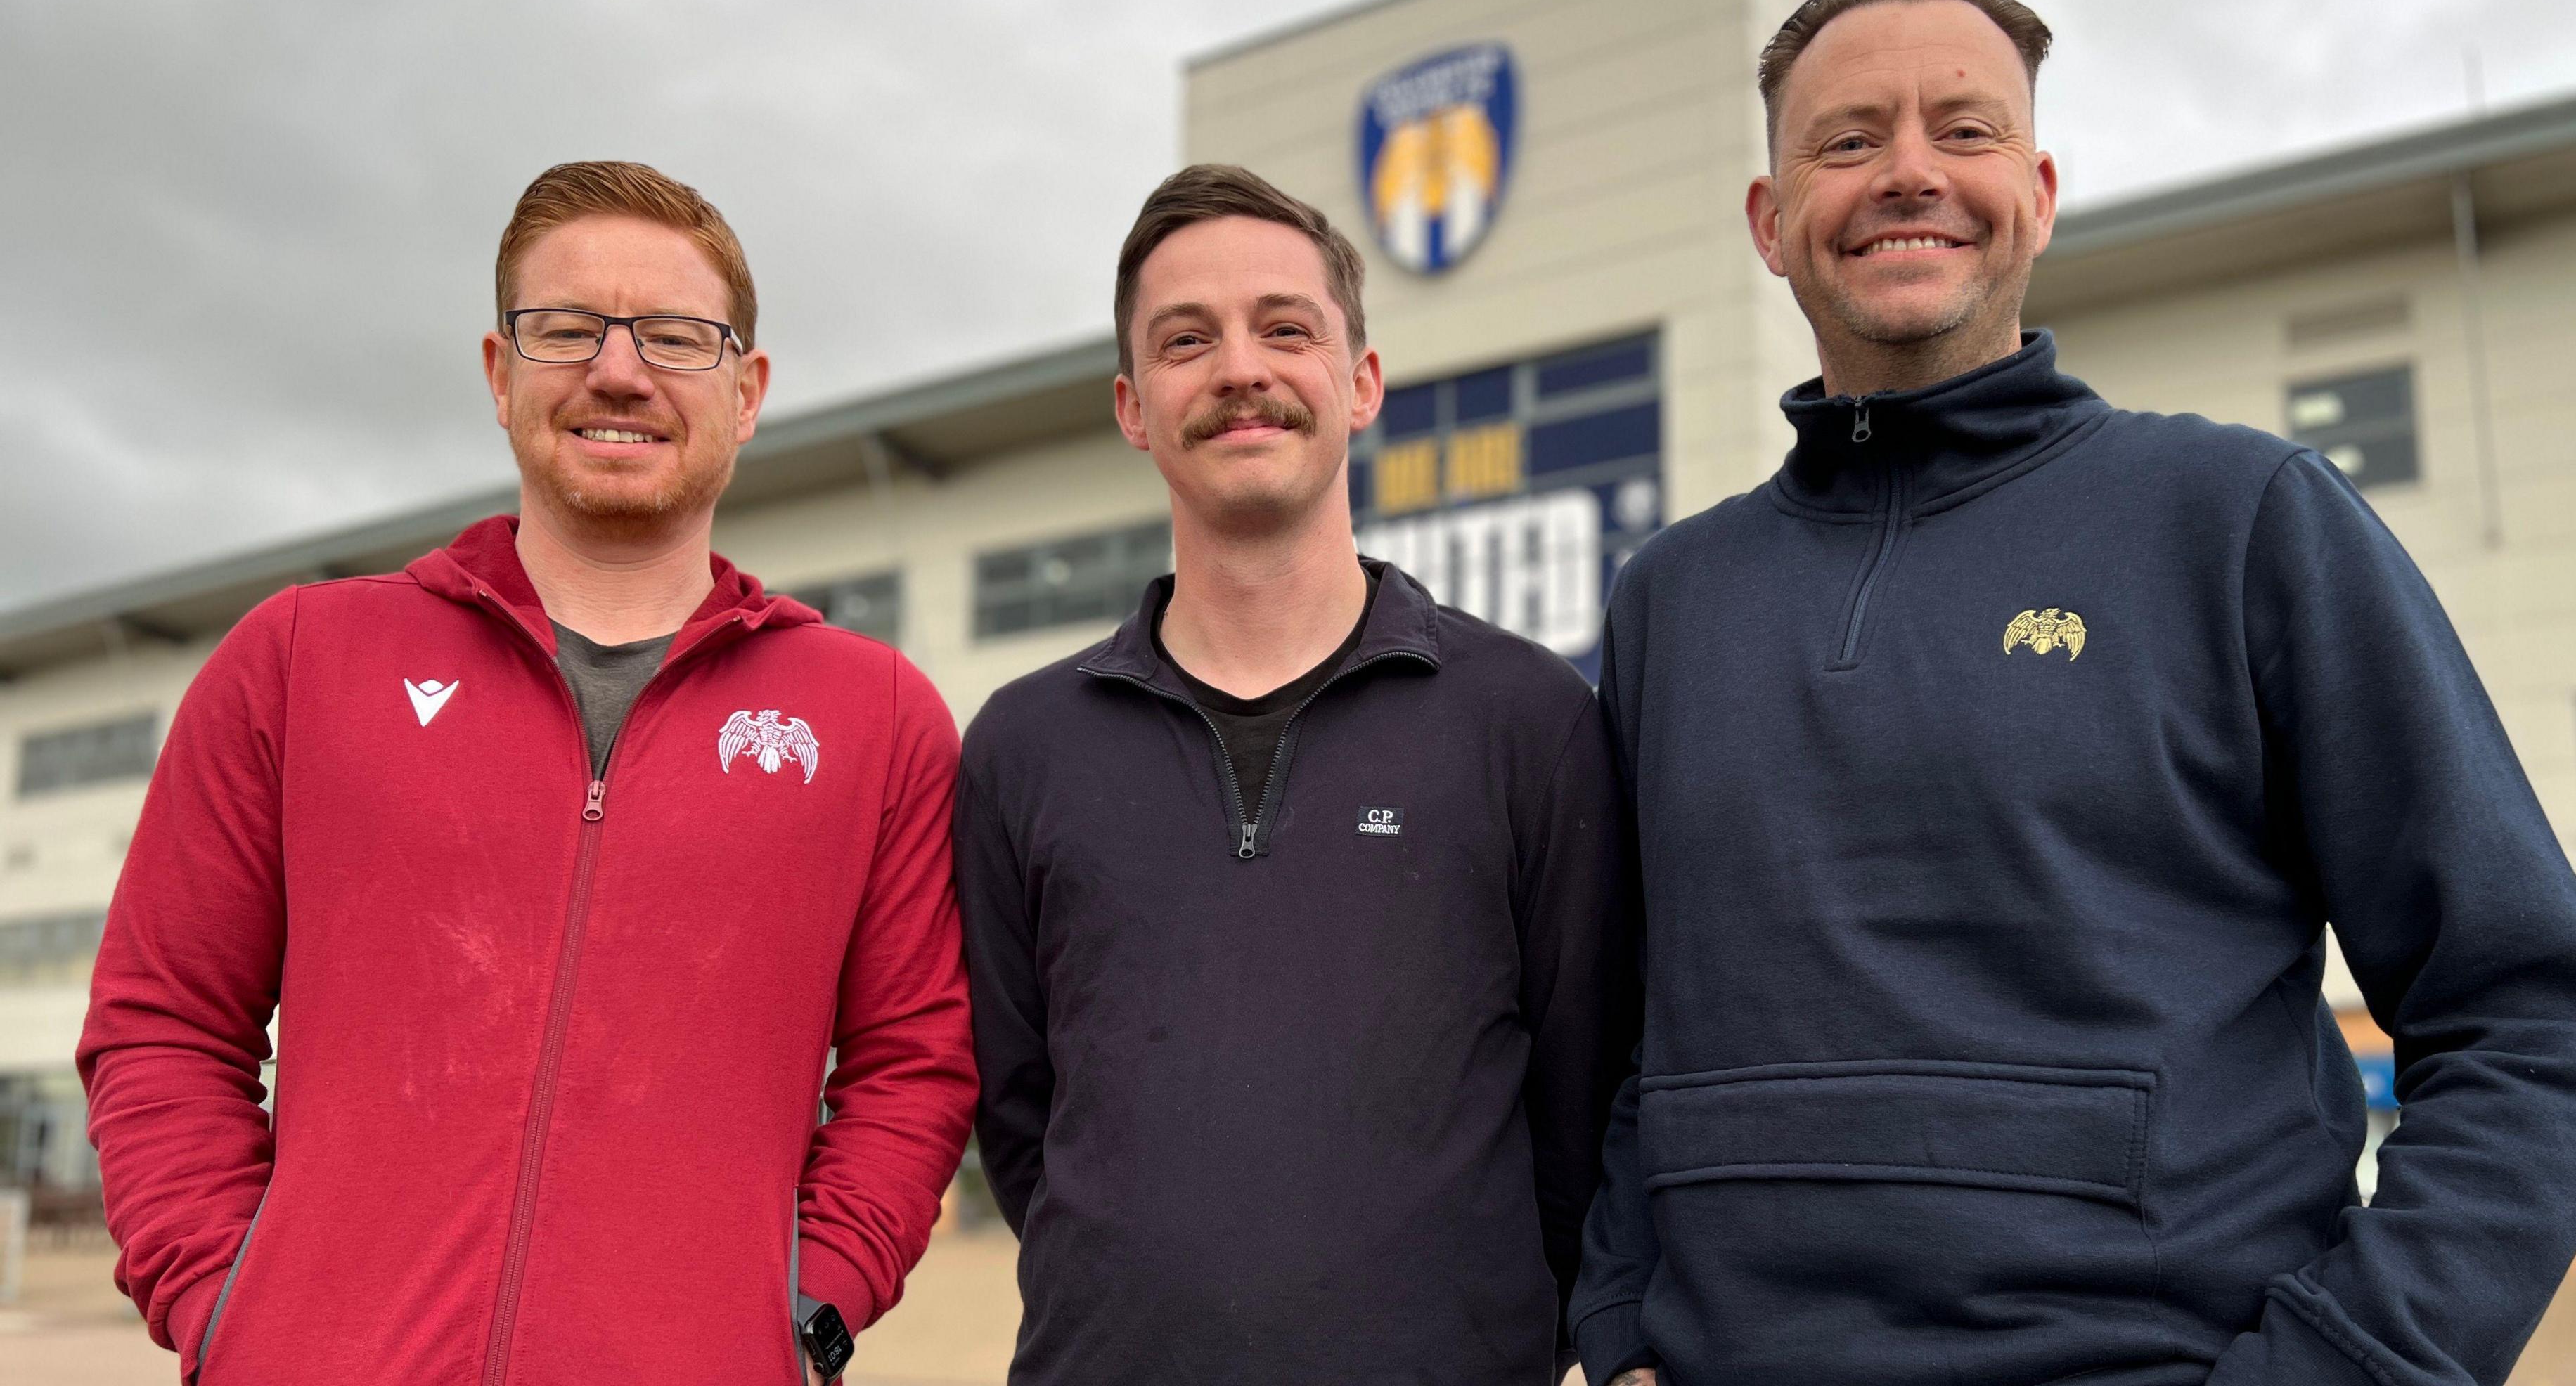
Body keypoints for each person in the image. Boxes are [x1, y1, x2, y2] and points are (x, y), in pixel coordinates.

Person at [1573, 0, 2576, 1386]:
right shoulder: (1669, 602)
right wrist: (1616, 1323)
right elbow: (1629, 1044)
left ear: (2038, 188)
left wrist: (2340, 1367)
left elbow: (2540, 1019)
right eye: (1848, 140)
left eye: (1963, 131)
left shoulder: (2241, 520)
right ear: (1773, 224)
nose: (1909, 173)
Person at [79, 161, 974, 1385]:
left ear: (748, 393)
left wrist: (807, 1314)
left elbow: (914, 1067)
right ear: (502, 377)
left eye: (675, 336)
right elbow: (164, 1023)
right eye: (566, 331)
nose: (619, 372)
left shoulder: (876, 719)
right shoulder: (297, 660)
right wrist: (230, 1305)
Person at [955, 164, 1632, 1383]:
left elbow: (1583, 1109)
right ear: (1131, 404)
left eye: (1286, 328)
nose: (1239, 370)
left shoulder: (1530, 720)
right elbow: (1025, 1121)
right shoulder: (1021, 745)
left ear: (1361, 382)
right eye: (1186, 340)